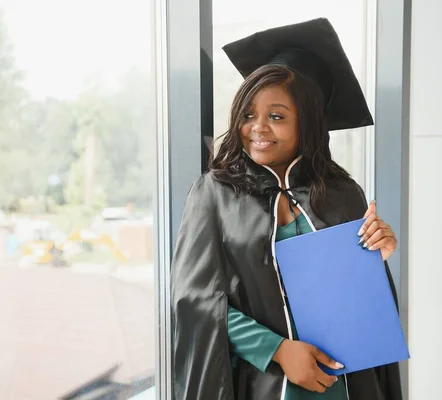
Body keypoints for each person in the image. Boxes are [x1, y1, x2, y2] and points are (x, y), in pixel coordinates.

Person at [171, 18, 402, 400]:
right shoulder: (215, 193)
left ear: (307, 124)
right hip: (262, 383)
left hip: (342, 384)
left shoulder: (344, 193)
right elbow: (195, 300)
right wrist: (277, 350)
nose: (257, 127)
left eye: (276, 116)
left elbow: (352, 304)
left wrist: (374, 260)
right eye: (248, 114)